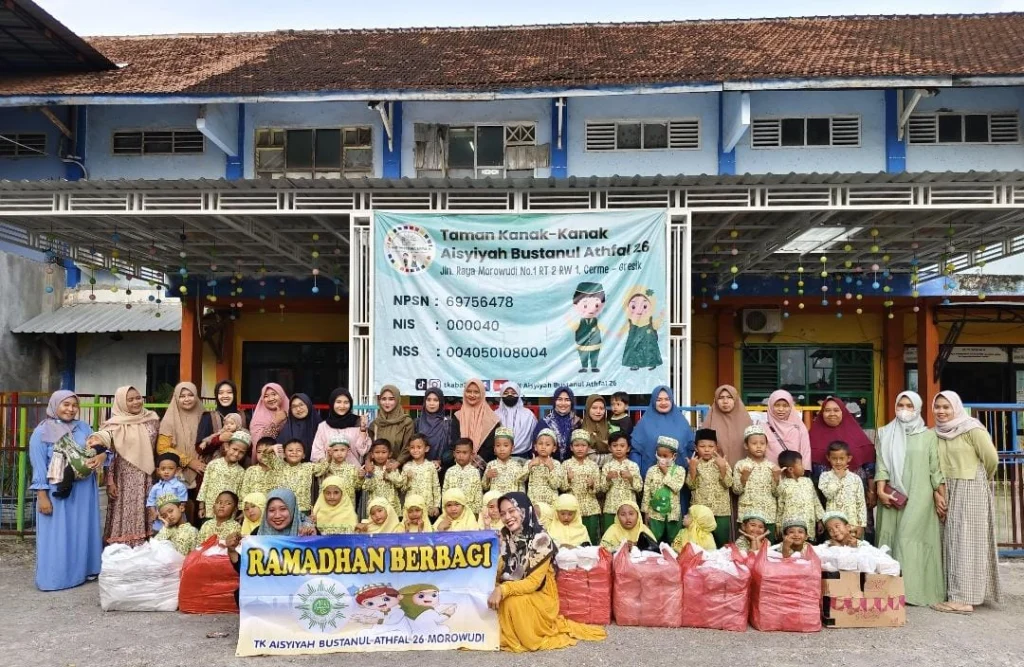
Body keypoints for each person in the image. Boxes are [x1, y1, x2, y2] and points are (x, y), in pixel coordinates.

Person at [488, 492, 606, 652]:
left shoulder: (541, 540)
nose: (507, 517)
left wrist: (503, 589)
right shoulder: (504, 535)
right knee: (484, 594)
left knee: (512, 602)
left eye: (512, 511)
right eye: (503, 514)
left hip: (540, 596)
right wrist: (497, 550)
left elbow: (533, 583)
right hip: (513, 586)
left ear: (524, 510)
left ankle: (524, 634)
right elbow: (498, 574)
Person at [931, 390, 1001, 614]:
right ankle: (956, 593)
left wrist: (976, 479)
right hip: (946, 488)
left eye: (946, 407)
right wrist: (938, 492)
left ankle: (964, 599)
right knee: (950, 541)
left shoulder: (972, 429)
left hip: (970, 487)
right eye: (938, 407)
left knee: (968, 543)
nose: (941, 411)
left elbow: (991, 460)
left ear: (956, 408)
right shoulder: (935, 434)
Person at [874, 391, 946, 606]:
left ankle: (916, 592)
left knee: (910, 539)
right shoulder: (885, 433)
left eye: (909, 405)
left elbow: (935, 469)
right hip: (891, 495)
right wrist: (879, 491)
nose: (904, 409)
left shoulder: (929, 435)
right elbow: (881, 465)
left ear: (918, 408)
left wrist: (940, 495)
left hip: (920, 495)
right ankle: (890, 593)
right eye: (901, 405)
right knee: (892, 540)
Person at [29, 390, 103, 591]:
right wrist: (42, 496)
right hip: (57, 490)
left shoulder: (84, 428)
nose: (70, 409)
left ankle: (83, 571)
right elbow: (38, 466)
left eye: (73, 405)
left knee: (81, 530)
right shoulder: (41, 432)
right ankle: (55, 578)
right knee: (57, 535)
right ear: (55, 405)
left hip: (83, 489)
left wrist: (100, 458)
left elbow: (100, 449)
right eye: (65, 404)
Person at [100, 385, 160, 546]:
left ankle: (145, 546)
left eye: (138, 398)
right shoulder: (112, 425)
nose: (136, 402)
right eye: (130, 399)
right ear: (121, 402)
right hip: (123, 477)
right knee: (123, 510)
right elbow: (109, 455)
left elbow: (158, 448)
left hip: (146, 476)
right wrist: (110, 480)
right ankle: (122, 548)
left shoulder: (152, 420)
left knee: (146, 506)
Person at [631, 385, 694, 477]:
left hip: (677, 477)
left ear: (672, 400)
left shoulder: (681, 422)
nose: (663, 402)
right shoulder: (644, 423)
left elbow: (690, 448)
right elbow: (636, 450)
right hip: (652, 478)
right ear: (653, 401)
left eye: (667, 399)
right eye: (659, 400)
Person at [732, 425, 781, 541]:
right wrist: (744, 477)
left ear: (766, 445)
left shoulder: (772, 467)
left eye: (762, 443)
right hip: (747, 516)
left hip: (768, 515)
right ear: (746, 445)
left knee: (767, 550)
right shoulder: (740, 465)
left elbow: (777, 493)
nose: (759, 446)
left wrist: (776, 479)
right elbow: (736, 490)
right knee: (745, 549)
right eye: (754, 443)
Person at [156, 382, 206, 495]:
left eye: (190, 395)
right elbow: (162, 448)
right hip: (177, 474)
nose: (187, 399)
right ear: (176, 398)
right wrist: (189, 461)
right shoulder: (169, 420)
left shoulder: (205, 415)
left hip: (202, 471)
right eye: (182, 396)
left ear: (196, 396)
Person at [686, 429, 733, 547]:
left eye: (711, 446)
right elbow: (691, 486)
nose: (707, 449)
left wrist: (722, 468)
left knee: (722, 543)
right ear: (696, 448)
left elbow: (728, 484)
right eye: (702, 446)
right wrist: (692, 469)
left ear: (716, 447)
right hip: (700, 512)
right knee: (700, 544)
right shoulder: (694, 463)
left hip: (721, 511)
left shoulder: (722, 462)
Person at [264, 438, 333, 513]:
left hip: (302, 509)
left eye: (299, 450)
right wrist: (271, 448)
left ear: (303, 455)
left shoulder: (308, 467)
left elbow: (322, 467)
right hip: (283, 508)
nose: (294, 452)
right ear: (284, 454)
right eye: (290, 450)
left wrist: (329, 456)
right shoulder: (279, 465)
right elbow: (265, 456)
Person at [642, 435, 687, 544]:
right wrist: (645, 511)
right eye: (659, 455)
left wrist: (666, 472)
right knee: (653, 538)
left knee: (675, 540)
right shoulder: (651, 470)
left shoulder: (679, 470)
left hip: (673, 513)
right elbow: (646, 491)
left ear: (674, 456)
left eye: (665, 455)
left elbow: (677, 487)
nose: (661, 458)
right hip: (655, 513)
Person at [818, 442, 868, 538]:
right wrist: (838, 478)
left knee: (853, 550)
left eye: (841, 458)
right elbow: (828, 494)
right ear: (828, 458)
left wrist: (861, 525)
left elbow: (860, 502)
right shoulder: (825, 476)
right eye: (834, 458)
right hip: (833, 527)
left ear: (849, 458)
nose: (838, 462)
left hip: (852, 524)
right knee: (834, 551)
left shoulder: (855, 478)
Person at [311, 388, 371, 467]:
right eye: (338, 402)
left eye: (346, 402)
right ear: (332, 403)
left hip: (353, 474)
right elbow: (316, 454)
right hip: (330, 475)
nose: (342, 406)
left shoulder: (358, 423)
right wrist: (327, 463)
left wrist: (363, 429)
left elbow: (362, 451)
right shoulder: (323, 426)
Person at [562, 429, 602, 544]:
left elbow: (599, 489)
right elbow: (562, 488)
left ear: (588, 448)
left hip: (591, 509)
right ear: (571, 447)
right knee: (574, 540)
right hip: (572, 510)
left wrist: (593, 484)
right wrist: (568, 479)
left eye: (583, 445)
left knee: (591, 539)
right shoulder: (566, 464)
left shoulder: (593, 466)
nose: (580, 448)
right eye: (576, 445)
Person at [197, 431, 249, 519]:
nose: (236, 454)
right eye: (235, 449)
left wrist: (241, 510)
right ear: (227, 446)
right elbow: (205, 485)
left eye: (241, 452)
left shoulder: (241, 472)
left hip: (229, 515)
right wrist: (201, 506)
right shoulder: (213, 465)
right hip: (210, 511)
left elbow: (241, 492)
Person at [777, 450, 824, 543]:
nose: (804, 467)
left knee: (808, 548)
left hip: (808, 525)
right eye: (801, 465)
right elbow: (780, 507)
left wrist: (820, 520)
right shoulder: (782, 485)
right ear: (791, 469)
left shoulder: (807, 482)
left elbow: (815, 501)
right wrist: (778, 525)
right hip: (790, 527)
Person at [600, 431, 642, 531]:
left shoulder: (633, 466)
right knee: (610, 536)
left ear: (628, 448)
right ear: (609, 448)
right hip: (611, 509)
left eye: (622, 446)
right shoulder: (607, 466)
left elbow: (639, 488)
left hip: (629, 510)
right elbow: (602, 488)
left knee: (629, 537)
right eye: (615, 446)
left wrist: (631, 478)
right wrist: (608, 478)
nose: (618, 448)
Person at [701, 384, 752, 467]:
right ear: (716, 400)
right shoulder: (709, 421)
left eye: (729, 397)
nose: (725, 401)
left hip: (742, 472)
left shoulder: (746, 421)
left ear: (735, 399)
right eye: (721, 398)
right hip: (715, 471)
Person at [455, 378, 500, 462]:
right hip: (460, 462)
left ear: (482, 394)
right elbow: (454, 442)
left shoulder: (492, 419)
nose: (472, 395)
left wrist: (476, 461)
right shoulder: (458, 416)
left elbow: (490, 447)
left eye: (476, 392)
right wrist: (463, 459)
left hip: (483, 465)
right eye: (469, 391)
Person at [532, 386, 581, 461]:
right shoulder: (544, 423)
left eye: (567, 400)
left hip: (571, 467)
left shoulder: (577, 423)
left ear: (572, 402)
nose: (563, 403)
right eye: (559, 399)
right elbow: (536, 446)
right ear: (554, 401)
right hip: (548, 465)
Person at [368, 384, 415, 460]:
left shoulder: (406, 422)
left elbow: (408, 446)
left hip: (400, 468)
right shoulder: (375, 424)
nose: (387, 403)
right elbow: (369, 448)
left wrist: (397, 463)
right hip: (378, 468)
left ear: (397, 400)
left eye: (391, 399)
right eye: (384, 399)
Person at [764, 390, 811, 465]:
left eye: (785, 406)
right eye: (777, 405)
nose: (781, 409)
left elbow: (805, 453)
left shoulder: (799, 428)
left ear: (791, 407)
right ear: (770, 406)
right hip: (769, 472)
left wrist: (804, 471)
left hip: (793, 474)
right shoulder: (763, 429)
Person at [414, 387, 458, 468]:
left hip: (442, 469)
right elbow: (412, 445)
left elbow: (453, 448)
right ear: (424, 402)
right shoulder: (417, 423)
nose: (432, 403)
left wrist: (441, 461)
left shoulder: (448, 423)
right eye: (428, 400)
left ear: (440, 402)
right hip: (419, 467)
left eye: (436, 400)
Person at [145, 452, 188, 534]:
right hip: (160, 520)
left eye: (170, 468)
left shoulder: (179, 486)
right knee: (160, 538)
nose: (166, 472)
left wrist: (177, 513)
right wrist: (154, 513)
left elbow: (182, 503)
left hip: (176, 519)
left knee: (178, 537)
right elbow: (151, 502)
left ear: (177, 470)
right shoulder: (155, 487)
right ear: (158, 470)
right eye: (163, 469)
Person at [400, 433, 442, 518]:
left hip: (428, 508)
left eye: (419, 447)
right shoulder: (407, 467)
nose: (415, 450)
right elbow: (402, 489)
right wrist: (407, 479)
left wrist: (437, 506)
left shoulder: (431, 466)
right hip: (411, 508)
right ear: (408, 449)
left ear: (426, 449)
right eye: (412, 447)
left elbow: (436, 487)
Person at [362, 439, 404, 516]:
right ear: (372, 454)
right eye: (377, 452)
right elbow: (368, 488)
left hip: (392, 507)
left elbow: (399, 484)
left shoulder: (392, 467)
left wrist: (389, 473)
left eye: (383, 452)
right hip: (376, 508)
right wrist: (370, 474)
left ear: (390, 454)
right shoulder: (370, 468)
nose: (380, 455)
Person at [442, 438, 484, 515]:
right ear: (454, 454)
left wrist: (476, 513)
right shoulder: (450, 472)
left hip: (470, 514)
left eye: (465, 453)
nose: (461, 455)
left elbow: (478, 495)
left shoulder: (475, 472)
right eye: (458, 452)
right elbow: (445, 493)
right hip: (452, 513)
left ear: (471, 455)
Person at [495, 382, 537, 457]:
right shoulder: (495, 415)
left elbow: (535, 436)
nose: (510, 395)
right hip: (500, 457)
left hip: (523, 456)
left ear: (518, 395)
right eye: (506, 393)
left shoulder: (528, 415)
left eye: (513, 393)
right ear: (501, 395)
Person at [526, 429, 566, 507]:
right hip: (534, 502)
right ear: (535, 447)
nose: (543, 447)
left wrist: (551, 469)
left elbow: (556, 485)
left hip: (551, 504)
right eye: (540, 444)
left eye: (547, 444)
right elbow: (521, 479)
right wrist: (530, 466)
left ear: (554, 448)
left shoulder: (556, 464)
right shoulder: (530, 462)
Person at [483, 428, 527, 495]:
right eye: (498, 445)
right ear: (494, 449)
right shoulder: (491, 465)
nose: (502, 449)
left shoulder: (517, 465)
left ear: (512, 448)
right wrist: (487, 477)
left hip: (511, 503)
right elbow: (484, 487)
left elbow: (521, 487)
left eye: (506, 445)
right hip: (495, 502)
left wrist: (520, 502)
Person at [279, 393, 321, 461]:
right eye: (294, 406)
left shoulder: (321, 427)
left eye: (301, 405)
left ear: (308, 405)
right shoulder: (287, 429)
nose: (298, 409)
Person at [248, 383, 289, 452]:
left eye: (274, 394)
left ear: (281, 395)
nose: (270, 399)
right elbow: (260, 443)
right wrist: (276, 422)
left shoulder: (292, 411)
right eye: (266, 396)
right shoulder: (258, 418)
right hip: (267, 457)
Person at [581, 395, 610, 462]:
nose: (598, 411)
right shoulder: (580, 427)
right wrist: (606, 444)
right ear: (588, 409)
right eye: (594, 408)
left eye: (602, 408)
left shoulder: (610, 426)